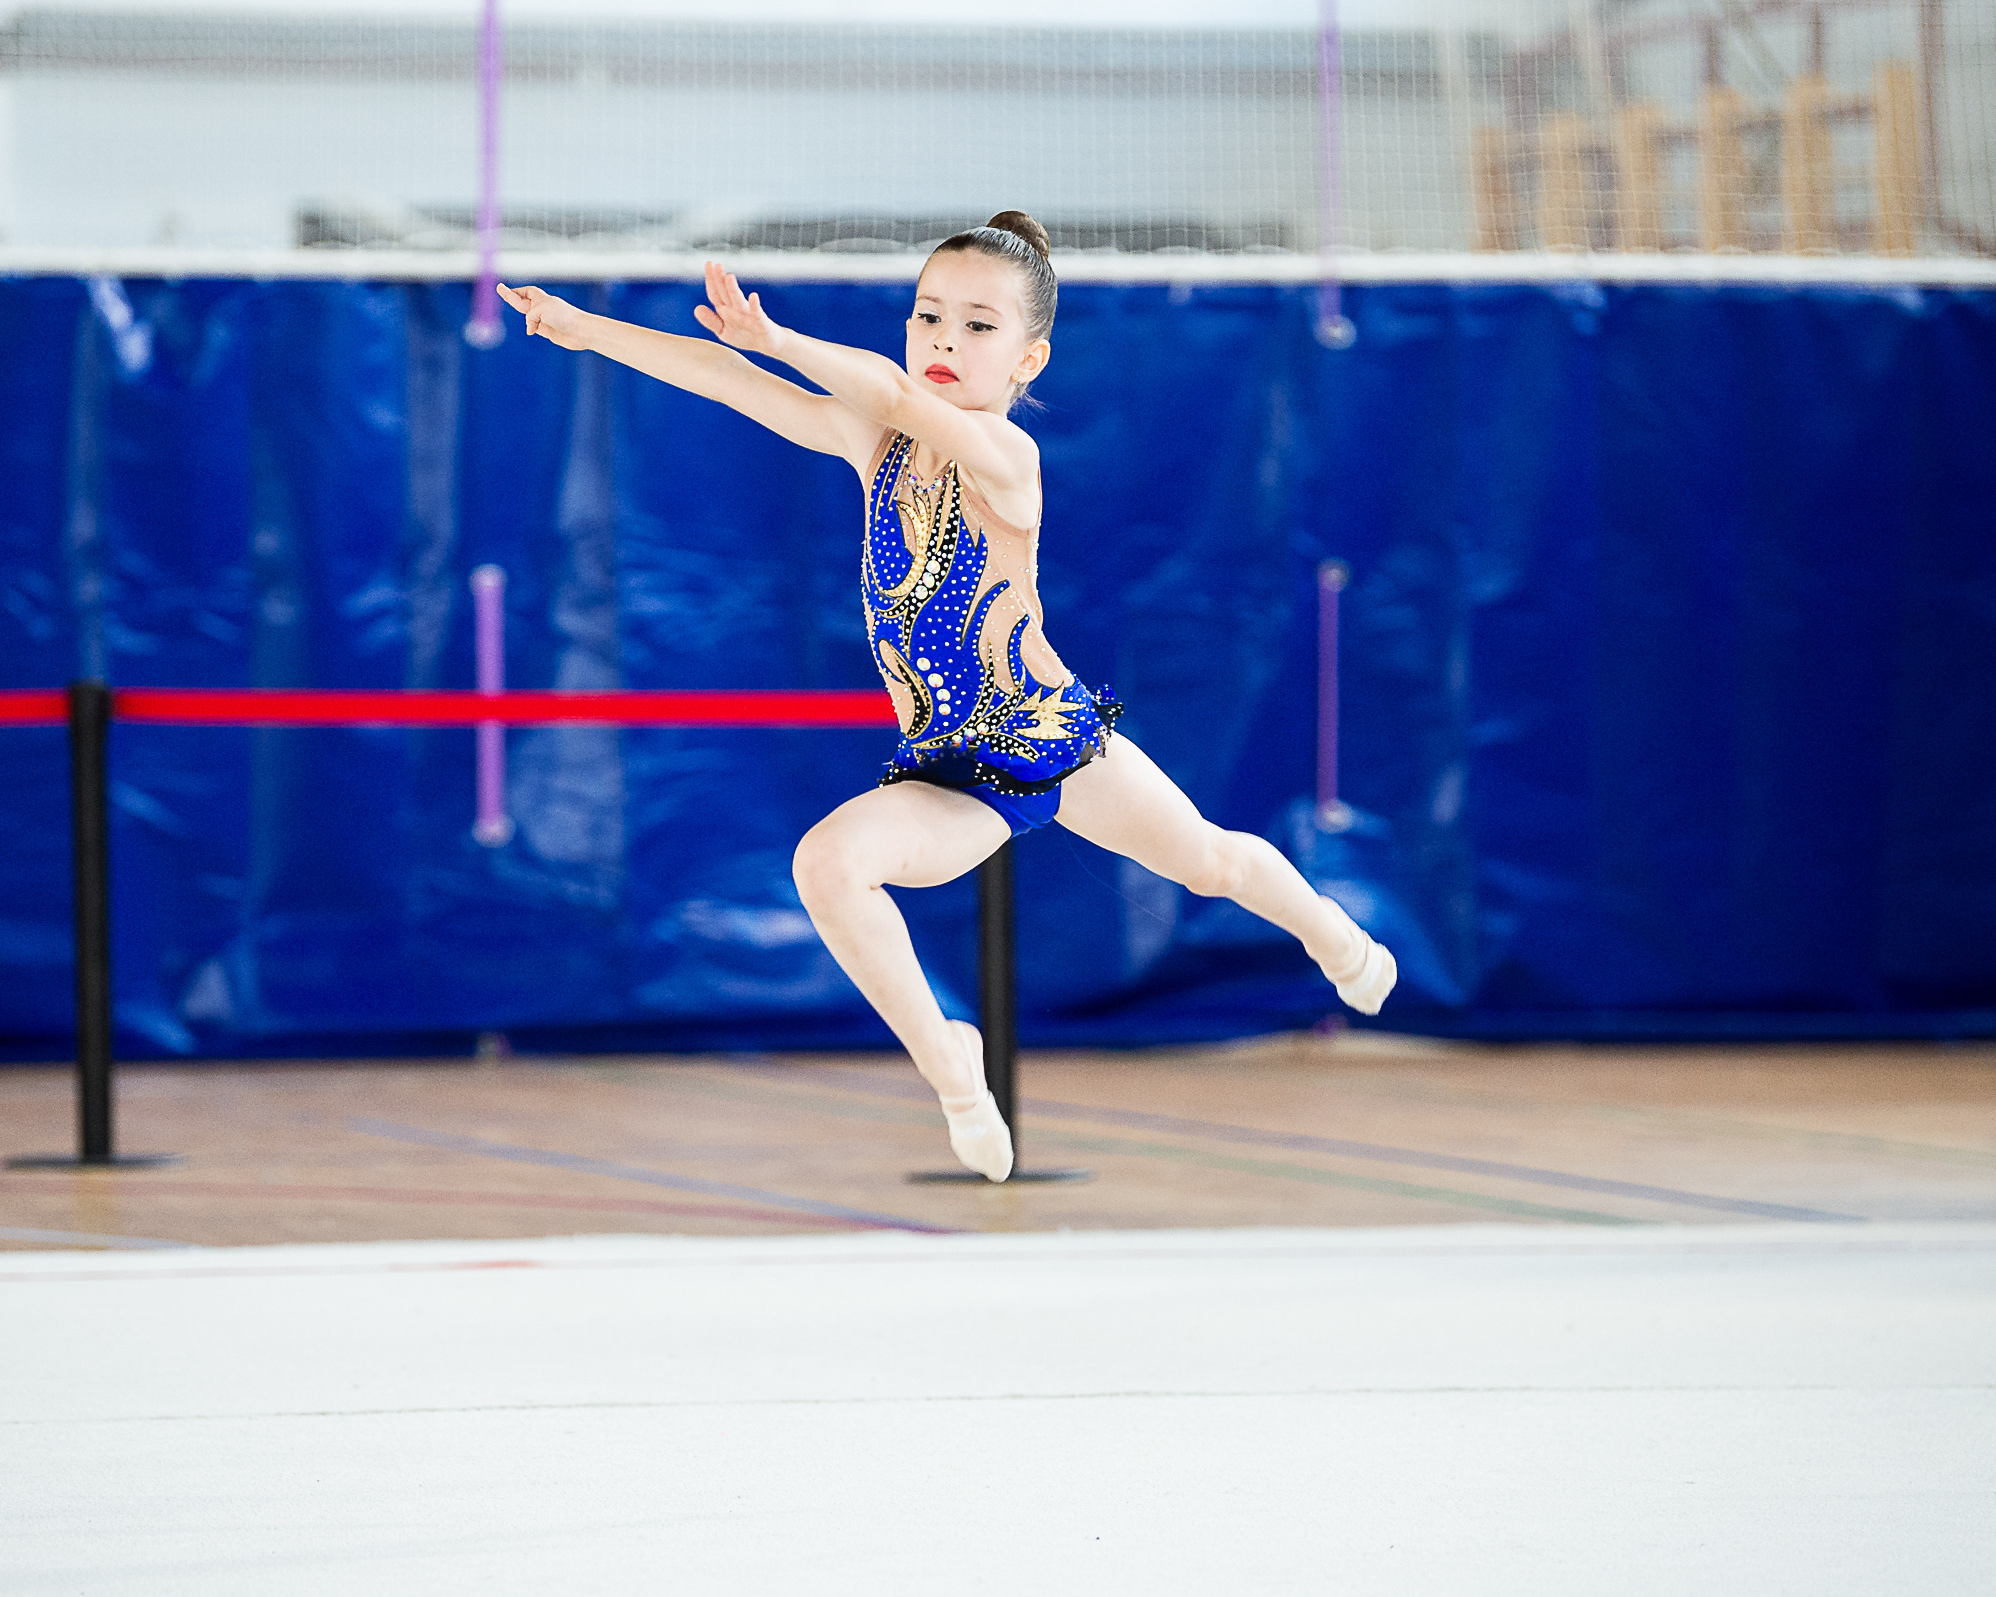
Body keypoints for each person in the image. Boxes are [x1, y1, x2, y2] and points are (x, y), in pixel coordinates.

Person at [497, 211, 1395, 1182]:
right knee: (829, 865)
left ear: (1028, 361)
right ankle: (953, 1068)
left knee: (1209, 862)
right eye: (929, 317)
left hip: (1053, 739)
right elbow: (727, 381)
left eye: (977, 327)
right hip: (953, 771)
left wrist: (782, 337)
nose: (943, 344)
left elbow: (869, 382)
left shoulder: (1009, 460)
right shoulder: (873, 444)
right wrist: (586, 328)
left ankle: (1332, 932)